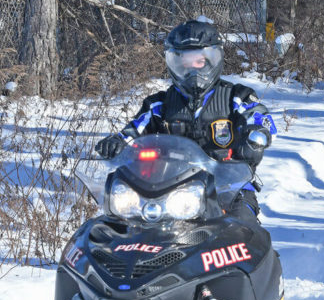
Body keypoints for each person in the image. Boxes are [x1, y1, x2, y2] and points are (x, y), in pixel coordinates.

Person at [94, 19, 276, 221]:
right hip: (171, 191)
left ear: (212, 61)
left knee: (245, 229)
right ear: (176, 64)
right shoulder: (159, 105)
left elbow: (261, 118)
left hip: (228, 188)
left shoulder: (237, 97)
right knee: (122, 225)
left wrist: (255, 137)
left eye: (198, 61)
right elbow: (134, 130)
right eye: (186, 63)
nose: (193, 70)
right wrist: (117, 142)